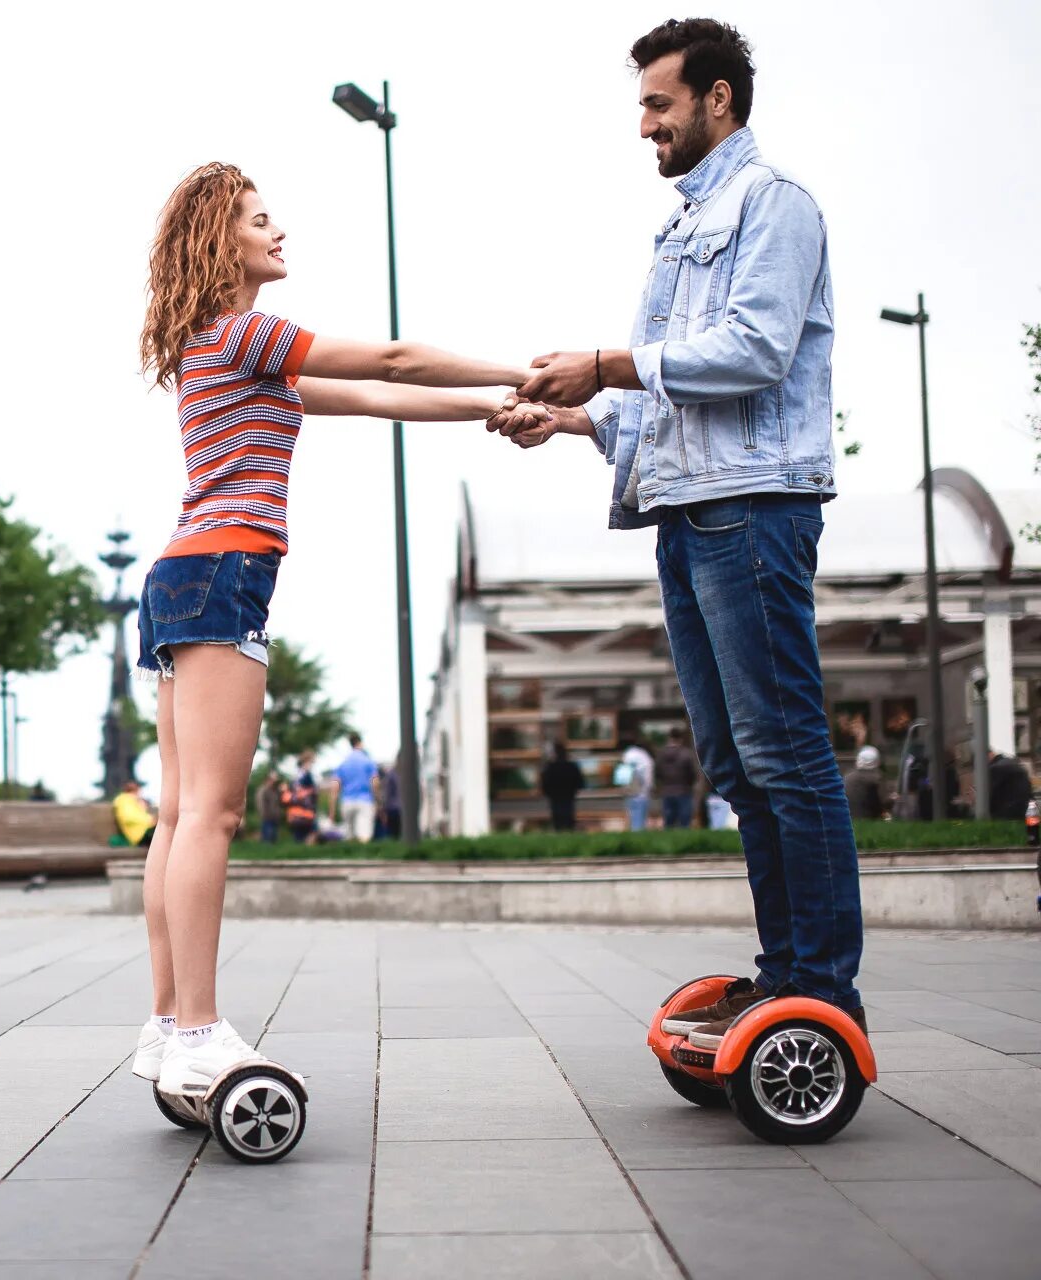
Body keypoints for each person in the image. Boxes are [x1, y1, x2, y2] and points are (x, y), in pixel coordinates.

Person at [129, 160, 545, 1095]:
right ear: (220, 238)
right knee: (213, 816)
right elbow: (393, 359)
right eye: (262, 219)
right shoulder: (246, 332)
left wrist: (492, 409)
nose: (281, 233)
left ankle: (165, 1025)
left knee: (178, 815)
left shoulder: (226, 349)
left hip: (182, 577)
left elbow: (377, 396)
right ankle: (197, 1029)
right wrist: (526, 368)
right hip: (223, 570)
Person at [498, 18, 866, 1043]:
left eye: (659, 104)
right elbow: (673, 389)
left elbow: (750, 351)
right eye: (643, 106)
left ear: (718, 100)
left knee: (786, 751)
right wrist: (574, 415)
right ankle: (785, 973)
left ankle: (825, 995)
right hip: (690, 504)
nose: (645, 125)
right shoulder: (682, 226)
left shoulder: (773, 204)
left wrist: (607, 366)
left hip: (755, 504)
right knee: (739, 765)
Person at [330, 733, 379, 843]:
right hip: (365, 801)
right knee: (364, 836)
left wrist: (332, 809)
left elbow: (335, 786)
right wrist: (378, 801)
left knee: (349, 836)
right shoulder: (368, 761)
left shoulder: (342, 763)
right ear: (360, 743)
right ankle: (364, 857)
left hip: (347, 801)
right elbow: (375, 783)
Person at [656, 727, 698, 828]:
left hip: (667, 790)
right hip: (684, 790)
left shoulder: (661, 754)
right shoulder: (686, 754)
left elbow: (657, 773)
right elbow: (692, 774)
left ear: (669, 738)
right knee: (685, 823)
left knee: (669, 822)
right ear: (681, 738)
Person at [539, 741, 585, 832]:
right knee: (567, 820)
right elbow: (580, 783)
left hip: (556, 798)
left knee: (558, 821)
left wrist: (548, 792)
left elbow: (544, 784)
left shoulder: (550, 768)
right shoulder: (571, 766)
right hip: (567, 797)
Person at [986, 751, 1036, 822]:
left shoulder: (995, 768)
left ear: (989, 755)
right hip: (1024, 811)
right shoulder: (1016, 764)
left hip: (1006, 815)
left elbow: (991, 795)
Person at [284, 751, 321, 845]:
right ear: (306, 761)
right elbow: (303, 792)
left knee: (300, 835)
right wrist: (313, 791)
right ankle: (306, 852)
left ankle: (300, 852)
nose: (312, 765)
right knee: (311, 832)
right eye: (311, 762)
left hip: (298, 810)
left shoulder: (297, 774)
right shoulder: (304, 775)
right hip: (305, 810)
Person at [619, 740, 655, 832]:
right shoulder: (645, 757)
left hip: (630, 791)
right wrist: (649, 788)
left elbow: (622, 775)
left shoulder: (627, 754)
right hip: (642, 793)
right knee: (640, 821)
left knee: (631, 817)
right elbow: (648, 777)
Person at [843, 746, 886, 822]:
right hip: (867, 820)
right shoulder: (876, 778)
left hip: (846, 819)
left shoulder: (847, 777)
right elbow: (883, 802)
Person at [113, 779, 158, 848]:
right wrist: (151, 820)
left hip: (144, 831)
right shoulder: (123, 800)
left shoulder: (135, 801)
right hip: (140, 835)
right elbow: (127, 817)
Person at [254, 771, 283, 844]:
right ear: (268, 779)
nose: (275, 782)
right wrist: (263, 814)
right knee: (267, 839)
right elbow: (260, 804)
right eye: (273, 780)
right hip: (267, 817)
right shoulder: (262, 790)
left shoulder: (275, 790)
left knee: (274, 839)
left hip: (275, 817)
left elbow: (278, 803)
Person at [380, 757, 403, 841]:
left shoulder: (391, 774)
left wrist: (383, 810)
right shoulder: (409, 774)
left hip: (393, 809)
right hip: (397, 810)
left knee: (393, 837)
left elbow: (386, 794)